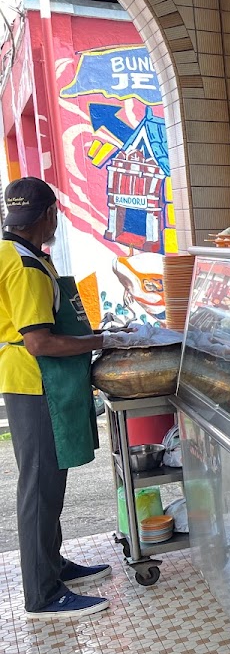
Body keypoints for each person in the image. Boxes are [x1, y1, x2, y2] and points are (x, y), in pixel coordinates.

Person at [0, 178, 115, 619]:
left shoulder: (17, 252)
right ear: (47, 215)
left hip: (34, 381)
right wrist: (104, 341)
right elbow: (40, 342)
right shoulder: (25, 266)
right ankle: (43, 594)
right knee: (39, 486)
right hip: (36, 383)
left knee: (50, 482)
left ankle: (54, 565)